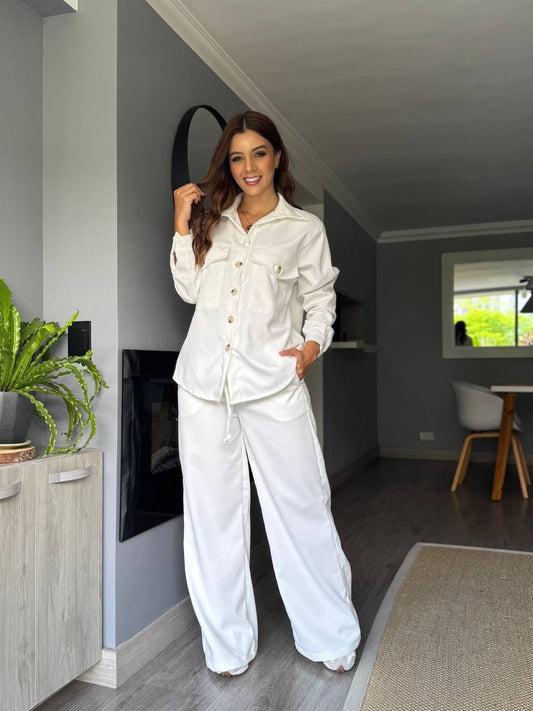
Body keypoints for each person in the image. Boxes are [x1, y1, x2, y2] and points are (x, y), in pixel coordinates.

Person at [170, 110, 361, 677]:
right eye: (237, 157)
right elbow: (189, 290)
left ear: (277, 156)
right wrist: (181, 227)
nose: (248, 166)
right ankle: (227, 647)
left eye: (259, 153)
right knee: (212, 518)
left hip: (274, 385)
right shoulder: (211, 221)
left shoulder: (304, 229)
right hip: (203, 386)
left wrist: (310, 347)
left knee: (301, 508)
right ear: (227, 165)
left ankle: (330, 635)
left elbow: (321, 299)